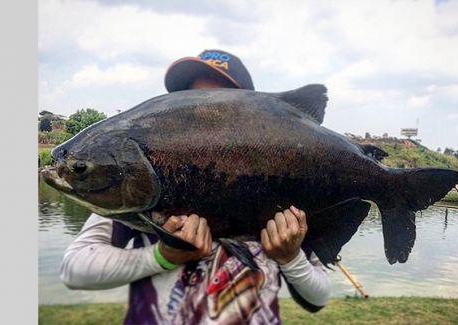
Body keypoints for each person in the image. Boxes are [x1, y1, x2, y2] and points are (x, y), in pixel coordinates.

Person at [60, 49, 332, 325]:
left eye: (218, 103)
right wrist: (162, 257)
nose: (202, 111)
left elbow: (319, 296)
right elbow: (75, 268)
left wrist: (290, 257)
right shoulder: (132, 188)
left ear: (254, 111)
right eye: (187, 100)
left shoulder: (290, 180)